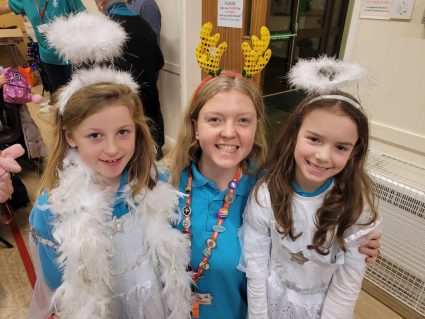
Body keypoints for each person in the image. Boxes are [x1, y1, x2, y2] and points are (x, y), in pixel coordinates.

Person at [164, 72, 381, 319]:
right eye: (214, 119)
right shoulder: (162, 186)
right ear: (195, 127)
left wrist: (357, 239)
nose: (228, 132)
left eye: (243, 121)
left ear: (256, 127)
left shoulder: (269, 190)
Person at [27, 72, 191, 318]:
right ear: (70, 136)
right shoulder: (52, 210)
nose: (112, 148)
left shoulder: (156, 184)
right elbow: (60, 288)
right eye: (95, 135)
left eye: (123, 132)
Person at [240, 57, 381, 318]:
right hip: (270, 303)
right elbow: (256, 265)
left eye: (341, 147)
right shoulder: (265, 195)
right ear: (295, 134)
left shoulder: (356, 207)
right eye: (314, 139)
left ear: (355, 151)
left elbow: (347, 283)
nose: (323, 156)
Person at [96, 0, 165, 158]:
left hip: (120, 109)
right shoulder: (145, 26)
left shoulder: (104, 29)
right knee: (152, 158)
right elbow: (159, 62)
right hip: (149, 105)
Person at [0, 0, 86, 92]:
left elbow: (85, 19)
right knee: (59, 95)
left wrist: (82, 48)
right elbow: (4, 9)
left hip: (73, 55)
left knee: (78, 95)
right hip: (48, 56)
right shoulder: (24, 1)